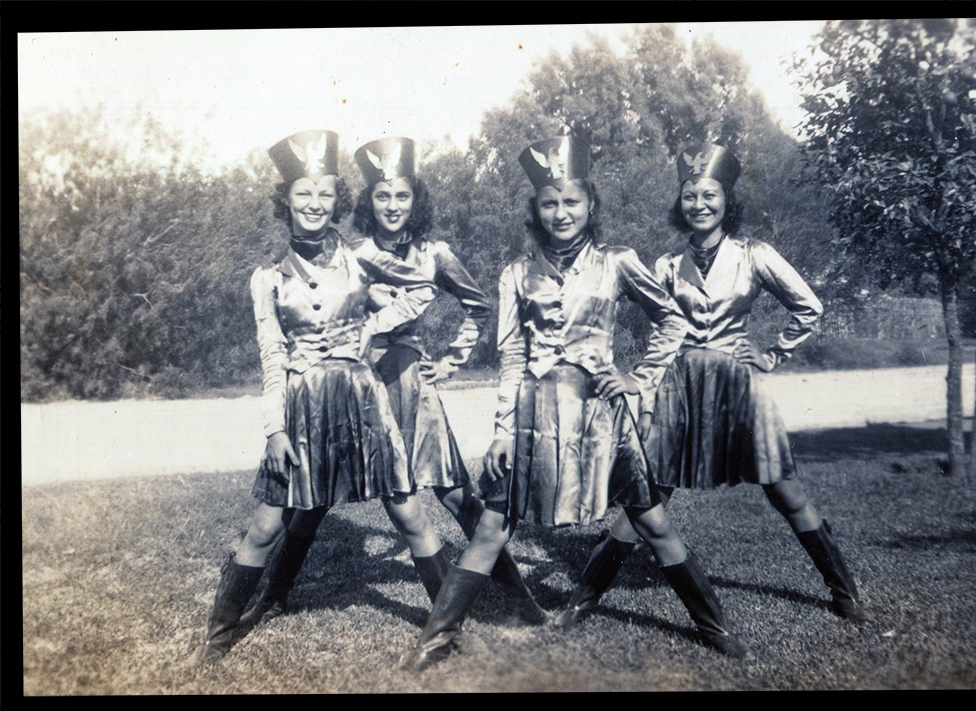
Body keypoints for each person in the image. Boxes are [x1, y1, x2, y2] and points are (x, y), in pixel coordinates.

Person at [398, 135, 749, 672]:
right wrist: (501, 429)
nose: (561, 213)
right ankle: (435, 641)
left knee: (653, 523)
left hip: (602, 415)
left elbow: (673, 320)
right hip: (536, 414)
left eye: (571, 202)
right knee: (493, 527)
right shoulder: (516, 272)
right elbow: (512, 354)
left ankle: (715, 628)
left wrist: (638, 376)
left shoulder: (619, 262)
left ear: (590, 206)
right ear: (536, 210)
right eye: (549, 203)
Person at [241, 137, 549, 628]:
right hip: (355, 383)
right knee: (314, 499)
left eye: (401, 196)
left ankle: (519, 600)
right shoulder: (350, 252)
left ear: (415, 200)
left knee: (454, 494)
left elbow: (477, 306)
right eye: (382, 197)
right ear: (367, 202)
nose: (392, 206)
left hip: (407, 378)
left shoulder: (435, 253)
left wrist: (450, 360)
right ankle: (273, 595)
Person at [559, 143, 867, 627]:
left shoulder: (754, 254)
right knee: (647, 497)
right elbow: (640, 318)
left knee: (784, 491)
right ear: (679, 204)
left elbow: (809, 306)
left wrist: (771, 354)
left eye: (709, 195)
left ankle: (843, 591)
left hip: (739, 389)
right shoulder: (664, 265)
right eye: (689, 196)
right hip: (680, 390)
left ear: (727, 201)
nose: (699, 205)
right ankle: (584, 599)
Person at [191, 130, 449, 664]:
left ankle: (445, 631)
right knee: (266, 525)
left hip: (362, 399)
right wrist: (275, 429)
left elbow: (423, 289)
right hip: (302, 407)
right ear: (285, 199)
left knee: (408, 513)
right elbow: (271, 360)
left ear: (338, 201)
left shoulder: (362, 259)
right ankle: (217, 638)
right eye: (303, 193)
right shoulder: (265, 279)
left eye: (325, 194)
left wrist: (373, 326)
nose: (314, 204)